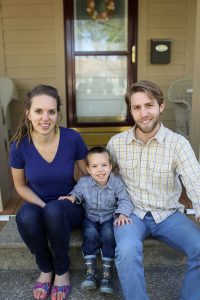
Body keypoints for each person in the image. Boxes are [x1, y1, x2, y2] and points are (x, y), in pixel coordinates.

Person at [106, 80, 200, 300]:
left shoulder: (178, 144)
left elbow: (195, 181)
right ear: (131, 111)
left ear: (161, 106)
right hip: (130, 215)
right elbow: (105, 180)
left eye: (149, 105)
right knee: (127, 251)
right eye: (136, 107)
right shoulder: (117, 143)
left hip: (168, 215)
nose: (143, 113)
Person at [9, 84, 88, 300]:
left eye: (51, 111)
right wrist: (43, 206)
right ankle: (45, 268)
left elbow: (86, 174)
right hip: (38, 202)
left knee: (55, 211)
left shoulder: (72, 138)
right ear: (28, 114)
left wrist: (76, 195)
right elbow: (20, 186)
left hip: (70, 204)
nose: (46, 117)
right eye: (39, 111)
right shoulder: (19, 146)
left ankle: (62, 270)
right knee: (24, 216)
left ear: (58, 114)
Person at [59, 146, 133, 294]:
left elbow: (125, 199)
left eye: (104, 165)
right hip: (90, 217)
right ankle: (91, 272)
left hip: (109, 216)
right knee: (90, 234)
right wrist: (72, 198)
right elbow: (76, 193)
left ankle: (107, 276)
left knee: (108, 235)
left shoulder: (117, 183)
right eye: (95, 166)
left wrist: (123, 214)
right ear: (88, 169)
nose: (100, 170)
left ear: (111, 166)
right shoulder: (84, 182)